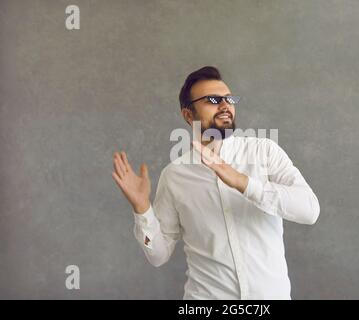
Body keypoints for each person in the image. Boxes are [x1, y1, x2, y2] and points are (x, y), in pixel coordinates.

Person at [112, 66, 320, 299]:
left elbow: (310, 210)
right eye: (212, 100)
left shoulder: (265, 152)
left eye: (229, 99)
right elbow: (158, 255)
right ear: (188, 115)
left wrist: (242, 182)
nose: (225, 106)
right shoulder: (174, 175)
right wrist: (142, 210)